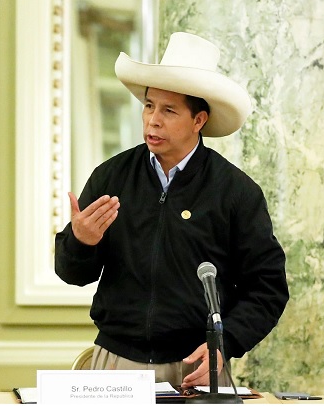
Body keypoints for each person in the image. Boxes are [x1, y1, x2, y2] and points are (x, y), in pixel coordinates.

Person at [55, 32, 289, 388]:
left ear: (199, 121)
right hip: (116, 363)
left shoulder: (236, 192)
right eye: (149, 106)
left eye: (168, 110)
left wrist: (225, 345)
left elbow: (267, 288)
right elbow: (73, 273)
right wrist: (80, 241)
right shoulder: (111, 176)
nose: (153, 121)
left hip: (196, 364)